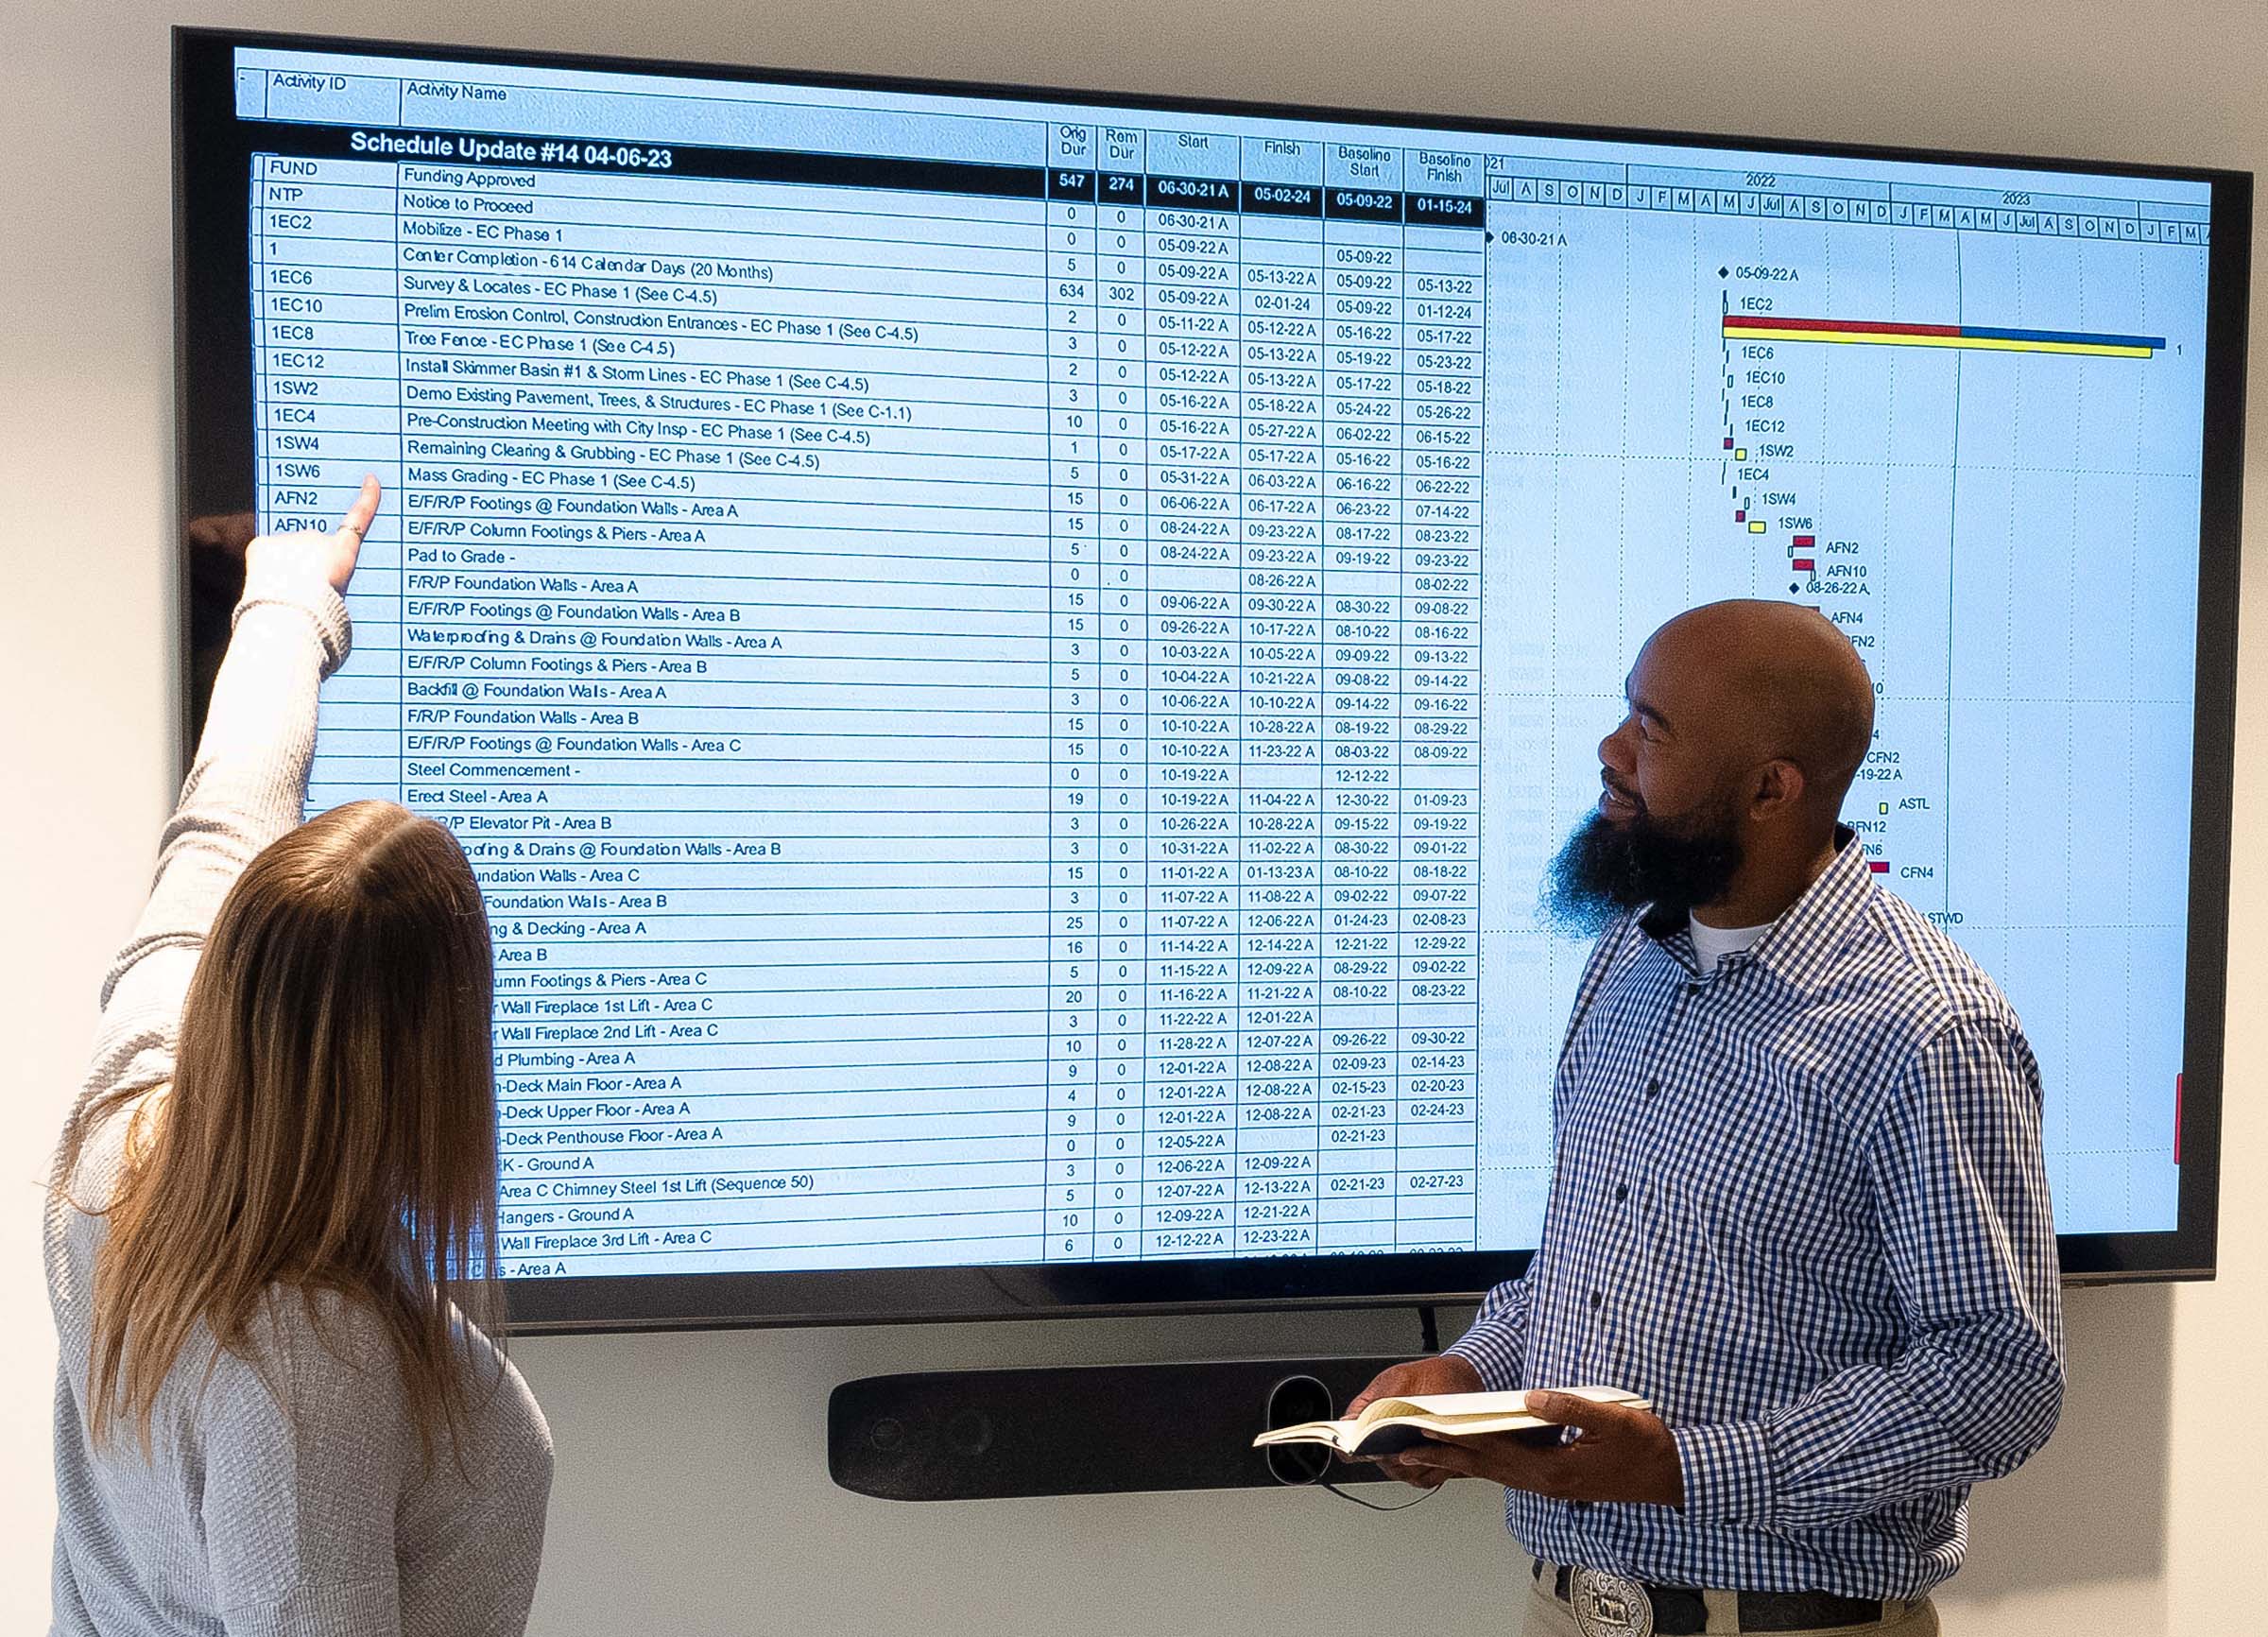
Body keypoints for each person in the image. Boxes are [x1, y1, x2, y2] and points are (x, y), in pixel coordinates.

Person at [1350, 600, 2062, 1637]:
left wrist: (1685, 1468)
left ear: (1772, 788)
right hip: (1569, 1607)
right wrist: (1470, 1372)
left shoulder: (1925, 1028)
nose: (1611, 752)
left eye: (1652, 729)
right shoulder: (1628, 963)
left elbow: (1998, 1374)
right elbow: (1586, 1271)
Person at [46, 479, 553, 1635]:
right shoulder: (302, 1379)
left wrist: (287, 602)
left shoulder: (122, 1109)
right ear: (433, 1066)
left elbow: (226, 807)